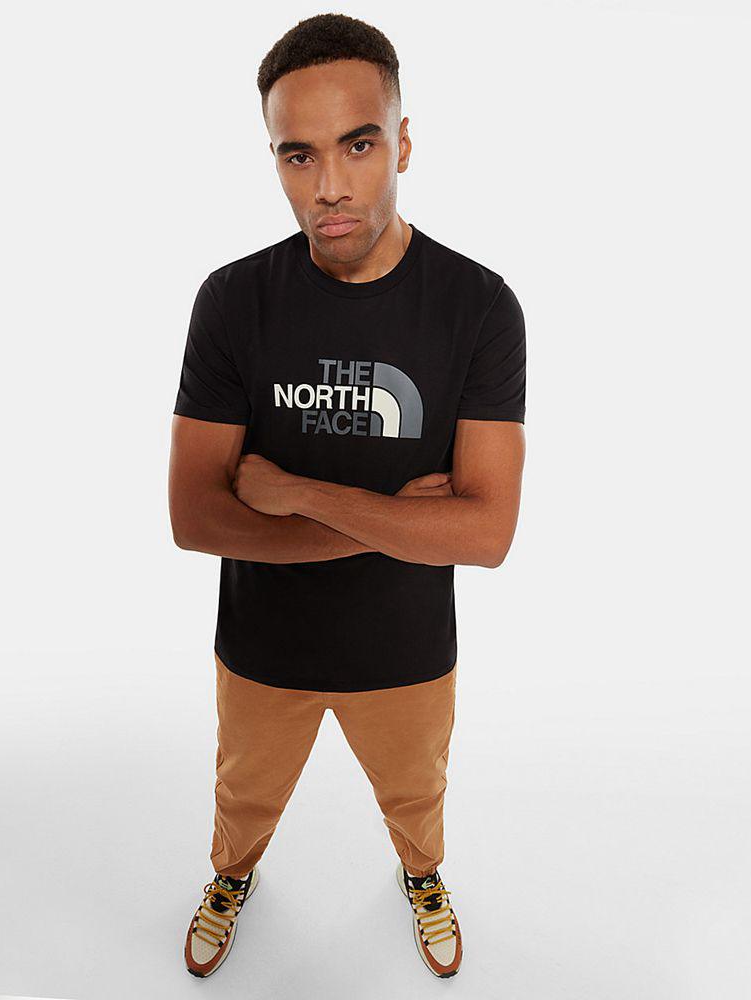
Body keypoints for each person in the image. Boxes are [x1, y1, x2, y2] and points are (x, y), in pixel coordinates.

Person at [168, 12, 526, 980]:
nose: (329, 185)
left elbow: (486, 533)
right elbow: (195, 517)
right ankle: (232, 876)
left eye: (358, 145)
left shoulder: (478, 307)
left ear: (402, 142)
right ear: (275, 160)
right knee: (243, 798)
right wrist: (401, 522)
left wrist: (290, 491)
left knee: (416, 796)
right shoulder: (232, 301)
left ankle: (422, 876)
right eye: (299, 155)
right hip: (263, 644)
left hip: (404, 647)